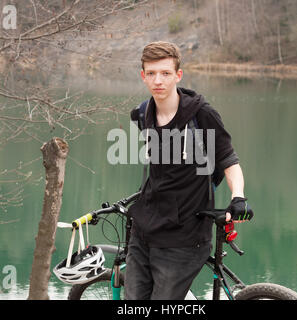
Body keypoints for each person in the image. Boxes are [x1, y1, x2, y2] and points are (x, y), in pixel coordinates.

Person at [125, 41, 252, 300]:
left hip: (185, 235)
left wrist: (238, 196)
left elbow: (229, 160)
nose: (157, 80)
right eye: (151, 73)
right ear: (143, 76)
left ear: (178, 75)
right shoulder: (143, 112)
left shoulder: (202, 115)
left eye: (165, 73)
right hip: (144, 231)